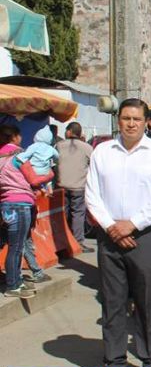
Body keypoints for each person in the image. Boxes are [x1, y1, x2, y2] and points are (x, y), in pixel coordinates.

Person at [85, 99, 151, 367]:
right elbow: (92, 194)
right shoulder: (102, 152)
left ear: (146, 121)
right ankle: (114, 361)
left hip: (144, 235)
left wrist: (132, 223)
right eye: (126, 118)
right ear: (118, 120)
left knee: (146, 301)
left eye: (137, 118)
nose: (131, 123)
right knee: (112, 302)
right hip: (108, 234)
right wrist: (111, 226)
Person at [0, 126, 48, 298]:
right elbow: (34, 179)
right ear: (14, 137)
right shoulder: (21, 156)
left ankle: (14, 280)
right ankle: (13, 285)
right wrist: (48, 175)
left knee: (9, 244)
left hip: (5, 204)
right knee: (17, 247)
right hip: (20, 204)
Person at [55, 122, 94, 252]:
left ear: (70, 132)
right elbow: (94, 164)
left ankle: (62, 242)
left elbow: (53, 164)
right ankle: (78, 242)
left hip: (61, 186)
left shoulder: (59, 146)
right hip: (79, 187)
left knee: (62, 214)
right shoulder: (87, 147)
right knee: (78, 214)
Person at [15, 125, 59, 196]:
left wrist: (18, 157)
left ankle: (41, 189)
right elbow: (57, 156)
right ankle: (50, 190)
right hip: (46, 171)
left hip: (35, 170)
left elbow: (26, 155)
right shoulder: (50, 148)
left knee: (33, 181)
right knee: (48, 179)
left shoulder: (34, 146)